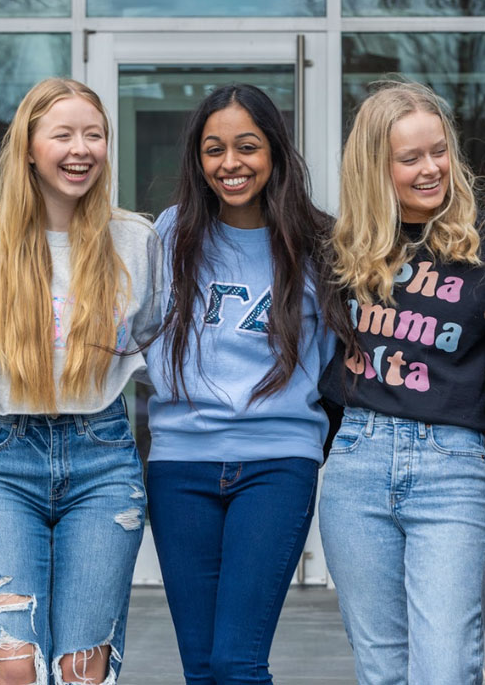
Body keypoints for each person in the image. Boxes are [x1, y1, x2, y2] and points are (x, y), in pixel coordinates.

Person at [0, 77, 161, 685]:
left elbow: (165, 347)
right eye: (62, 134)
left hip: (105, 461)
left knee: (81, 669)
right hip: (3, 462)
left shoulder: (136, 242)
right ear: (29, 148)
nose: (80, 148)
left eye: (94, 135)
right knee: (15, 667)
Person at [145, 83, 346, 684]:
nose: (229, 164)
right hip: (180, 466)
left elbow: (334, 361)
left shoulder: (319, 243)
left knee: (238, 660)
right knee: (201, 667)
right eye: (214, 149)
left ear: (275, 153)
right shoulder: (171, 233)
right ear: (197, 159)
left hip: (276, 464)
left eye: (246, 147)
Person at [319, 81, 485, 684]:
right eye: (410, 158)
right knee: (382, 668)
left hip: (454, 466)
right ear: (375, 167)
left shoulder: (475, 248)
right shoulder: (341, 254)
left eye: (438, 151)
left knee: (446, 667)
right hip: (356, 466)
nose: (431, 169)